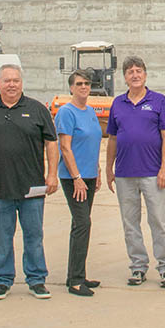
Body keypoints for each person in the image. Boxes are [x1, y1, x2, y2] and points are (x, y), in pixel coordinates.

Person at [0, 64, 59, 301]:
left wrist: (52, 174)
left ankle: (36, 280)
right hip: (0, 187)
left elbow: (52, 143)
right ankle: (3, 281)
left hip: (32, 186)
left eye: (15, 80)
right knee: (2, 236)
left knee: (34, 235)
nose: (12, 84)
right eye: (7, 81)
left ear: (21, 83)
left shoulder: (37, 109)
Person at [104, 56, 165, 288]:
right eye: (130, 72)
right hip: (125, 173)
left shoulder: (158, 101)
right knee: (130, 223)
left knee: (160, 221)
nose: (135, 75)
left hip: (152, 173)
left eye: (138, 71)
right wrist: (108, 168)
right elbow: (112, 138)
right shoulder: (118, 103)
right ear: (124, 77)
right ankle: (137, 267)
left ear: (145, 74)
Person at [56, 69, 104, 297]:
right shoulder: (67, 112)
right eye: (79, 84)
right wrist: (76, 178)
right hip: (74, 178)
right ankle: (75, 281)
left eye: (87, 83)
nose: (84, 87)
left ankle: (78, 274)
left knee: (81, 225)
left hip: (89, 176)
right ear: (71, 87)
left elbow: (93, 143)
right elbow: (65, 147)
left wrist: (98, 170)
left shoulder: (91, 112)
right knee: (82, 223)